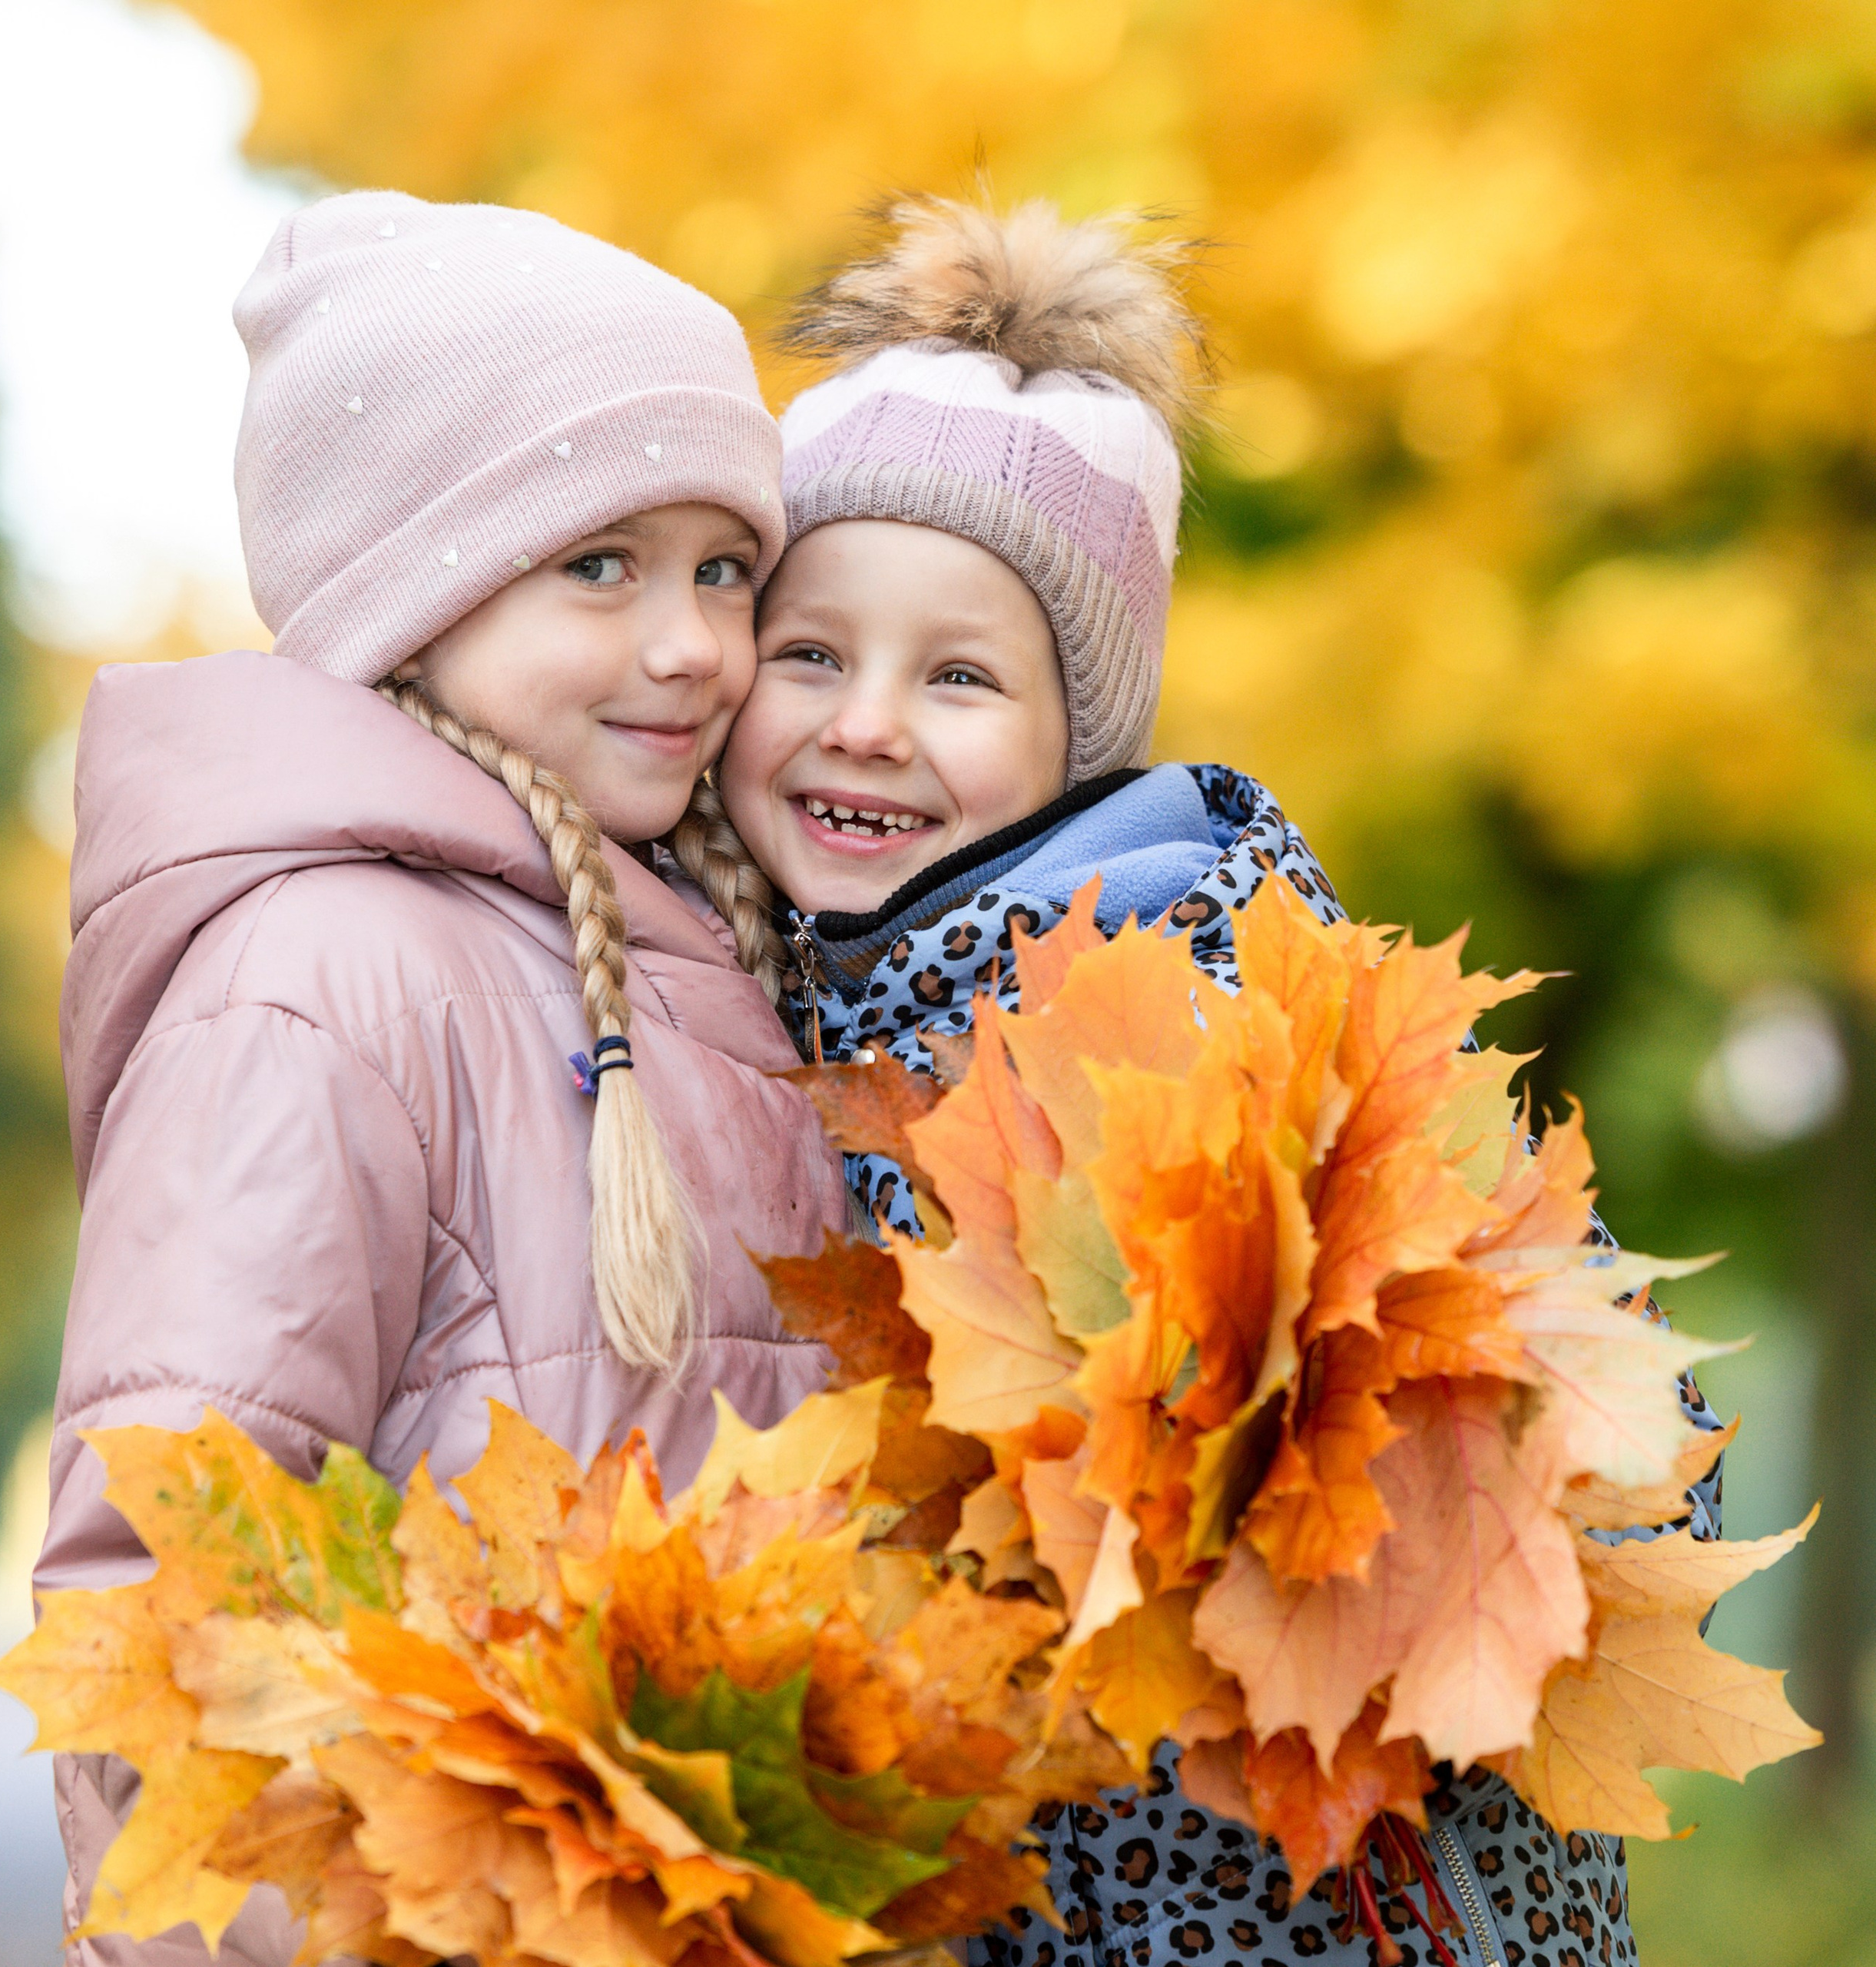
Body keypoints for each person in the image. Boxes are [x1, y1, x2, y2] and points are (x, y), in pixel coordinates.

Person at [718, 196, 1722, 1967]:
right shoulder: (792, 1022)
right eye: (812, 651)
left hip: (1318, 1909)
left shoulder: (1222, 1000)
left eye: (957, 675)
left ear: (1073, 738)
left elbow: (1631, 1439)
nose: (864, 719)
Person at [36, 189, 850, 1966]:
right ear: (414, 591)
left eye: (724, 567)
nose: (693, 643)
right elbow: (166, 1611)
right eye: (600, 564)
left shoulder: (708, 947)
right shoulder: (325, 977)